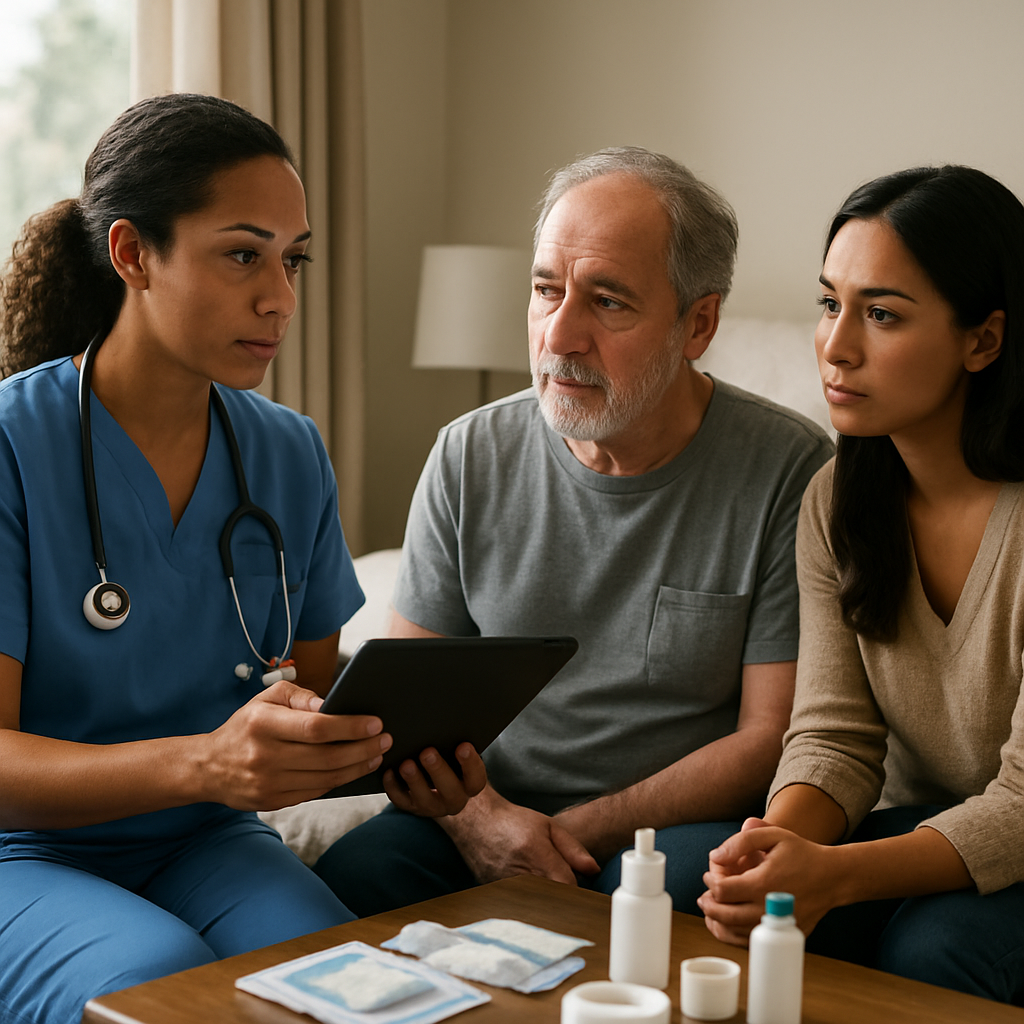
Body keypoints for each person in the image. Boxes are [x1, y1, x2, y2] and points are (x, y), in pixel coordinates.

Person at [0, 93, 483, 1024]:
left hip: (206, 841)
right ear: (134, 254)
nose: (282, 298)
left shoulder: (286, 454)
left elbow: (309, 698)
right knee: (168, 982)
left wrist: (396, 757)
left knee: (360, 993)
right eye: (242, 254)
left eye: (292, 260)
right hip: (26, 852)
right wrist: (204, 766)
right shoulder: (15, 449)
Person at [314, 147, 834, 916]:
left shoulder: (791, 470)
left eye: (608, 301)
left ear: (699, 323)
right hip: (479, 809)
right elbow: (413, 712)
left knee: (660, 905)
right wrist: (484, 823)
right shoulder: (468, 454)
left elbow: (770, 735)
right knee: (350, 882)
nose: (560, 336)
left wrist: (570, 833)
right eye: (545, 290)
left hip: (671, 827)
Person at [698, 165, 1024, 1005]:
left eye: (881, 314)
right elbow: (836, 737)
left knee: (934, 946)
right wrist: (776, 851)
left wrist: (835, 877)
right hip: (926, 825)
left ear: (983, 340)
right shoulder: (836, 499)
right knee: (694, 900)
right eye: (829, 303)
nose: (837, 345)